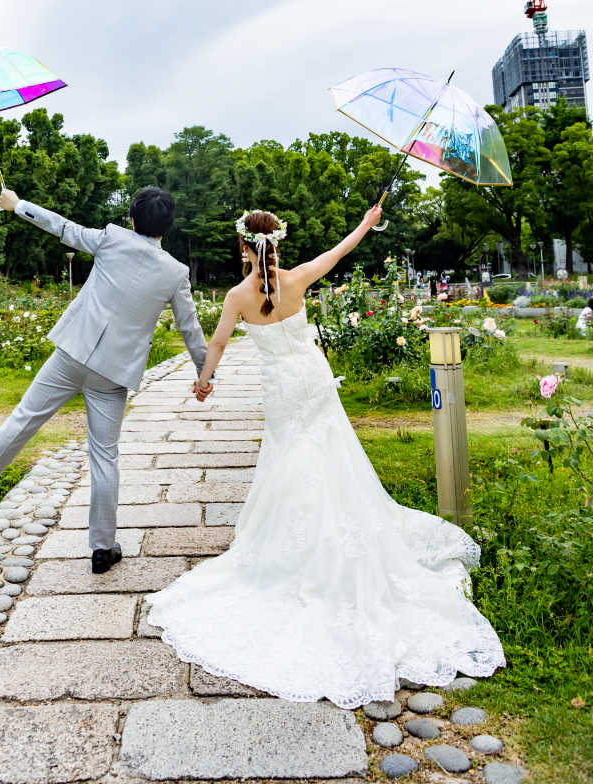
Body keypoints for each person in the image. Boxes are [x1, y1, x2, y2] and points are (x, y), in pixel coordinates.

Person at [146, 207, 505, 706]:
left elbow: (222, 341)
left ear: (245, 248)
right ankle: (337, 531)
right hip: (313, 383)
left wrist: (204, 381)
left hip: (281, 392)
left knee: (290, 461)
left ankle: (298, 545)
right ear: (279, 245)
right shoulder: (298, 279)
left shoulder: (236, 297)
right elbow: (343, 249)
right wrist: (367, 219)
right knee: (331, 456)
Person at [0, 186, 210, 575]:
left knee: (24, 418)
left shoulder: (111, 238)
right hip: (112, 373)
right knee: (105, 457)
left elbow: (63, 227)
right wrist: (206, 374)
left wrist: (17, 205)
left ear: (131, 220)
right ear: (166, 227)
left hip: (72, 353)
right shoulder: (175, 272)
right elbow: (190, 327)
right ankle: (102, 549)